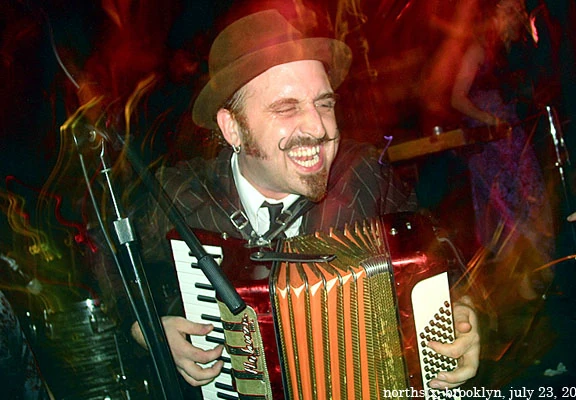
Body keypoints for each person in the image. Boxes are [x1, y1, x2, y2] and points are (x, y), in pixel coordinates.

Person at [121, 9, 480, 391]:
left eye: (324, 104)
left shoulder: (364, 177)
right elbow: (105, 274)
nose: (319, 127)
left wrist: (462, 312)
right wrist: (144, 329)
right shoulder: (179, 197)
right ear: (233, 128)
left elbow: (441, 256)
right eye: (287, 108)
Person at [449, 0, 554, 300]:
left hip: (512, 140)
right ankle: (522, 289)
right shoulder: (476, 50)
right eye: (509, 9)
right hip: (490, 146)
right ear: (492, 14)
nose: (516, 14)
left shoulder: (511, 51)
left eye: (518, 9)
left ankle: (539, 283)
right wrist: (490, 120)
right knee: (509, 217)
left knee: (533, 206)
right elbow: (457, 98)